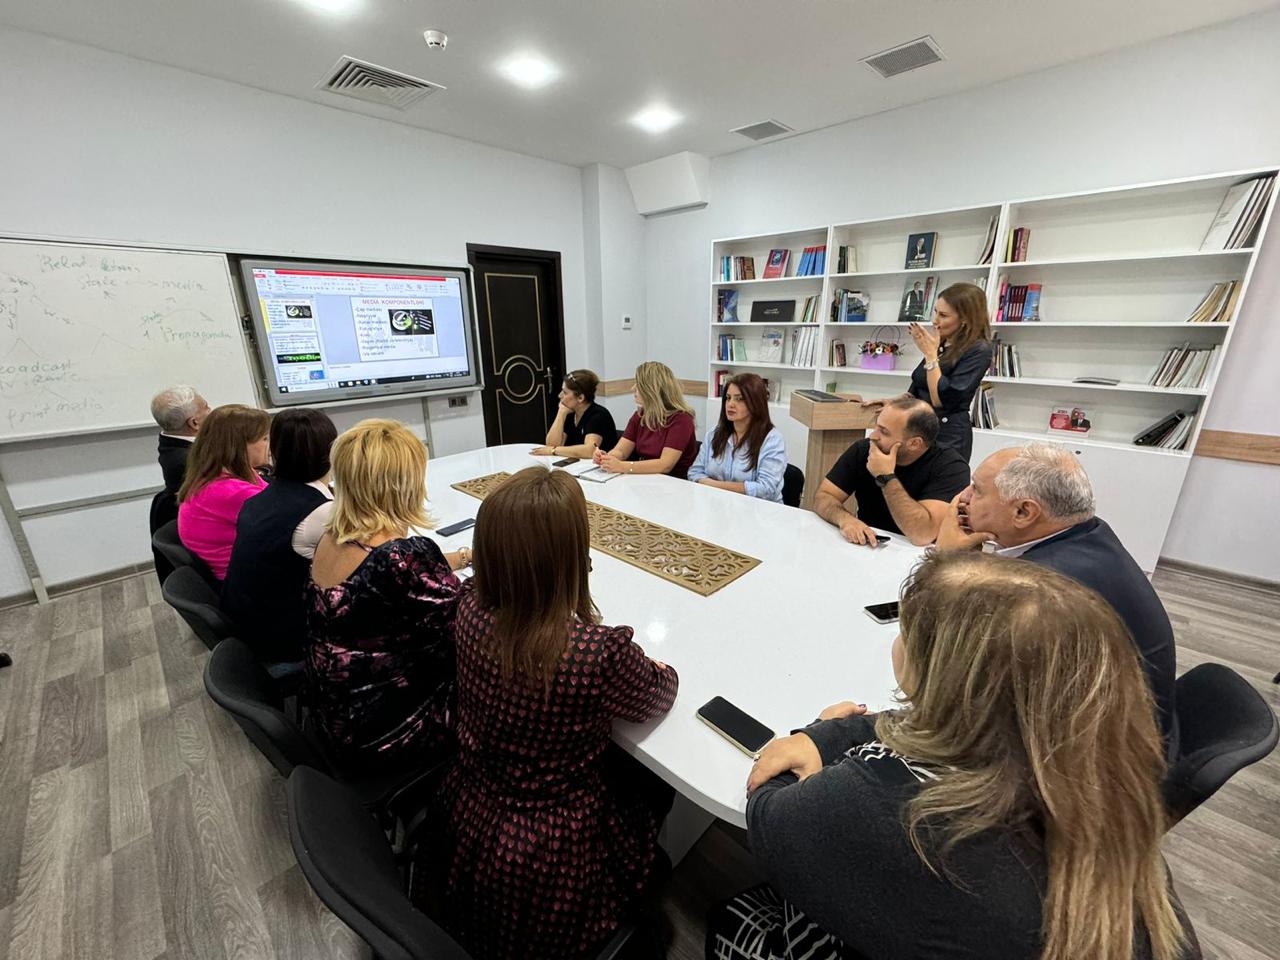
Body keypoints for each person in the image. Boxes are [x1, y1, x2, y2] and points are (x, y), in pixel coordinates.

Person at [708, 551, 1199, 960]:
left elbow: (769, 819)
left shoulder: (887, 803)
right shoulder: (1100, 789)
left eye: (907, 629)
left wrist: (819, 730)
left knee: (729, 915)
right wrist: (839, 733)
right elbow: (927, 729)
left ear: (943, 673)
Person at [441, 467, 678, 959]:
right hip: (554, 853)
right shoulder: (594, 653)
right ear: (572, 556)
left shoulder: (466, 610)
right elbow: (659, 695)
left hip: (469, 813)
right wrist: (654, 667)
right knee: (655, 784)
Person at [936, 442, 1179, 757]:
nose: (962, 498)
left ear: (1023, 512)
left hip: (1095, 760)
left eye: (977, 490)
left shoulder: (1041, 586)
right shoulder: (1090, 533)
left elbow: (948, 661)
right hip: (1129, 730)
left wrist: (946, 563)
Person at [305, 419, 470, 775]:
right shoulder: (401, 559)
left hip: (337, 714)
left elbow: (385, 579)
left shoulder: (333, 537)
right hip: (388, 730)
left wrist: (461, 557)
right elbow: (472, 628)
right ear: (402, 485)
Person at [222, 408, 338, 664]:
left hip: (249, 623)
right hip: (287, 638)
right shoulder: (321, 512)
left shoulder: (261, 497)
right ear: (332, 452)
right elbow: (370, 562)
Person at [814, 396, 969, 546]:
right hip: (868, 544)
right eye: (876, 426)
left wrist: (886, 477)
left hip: (915, 554)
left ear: (914, 443)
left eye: (884, 432)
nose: (873, 436)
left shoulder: (951, 467)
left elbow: (922, 535)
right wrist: (845, 519)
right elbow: (824, 496)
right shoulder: (864, 450)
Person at [864, 282, 993, 461]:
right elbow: (918, 387)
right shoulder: (941, 343)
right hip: (920, 428)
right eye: (935, 312)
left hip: (948, 435)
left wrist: (930, 355)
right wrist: (894, 403)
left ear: (965, 319)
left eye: (943, 315)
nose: (935, 321)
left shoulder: (979, 350)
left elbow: (940, 400)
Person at [176, 404, 271, 581]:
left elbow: (273, 498)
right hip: (248, 581)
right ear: (240, 446)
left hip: (245, 568)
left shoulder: (210, 474)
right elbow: (290, 520)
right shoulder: (231, 492)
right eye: (264, 438)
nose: (269, 445)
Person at [687, 372, 786, 501]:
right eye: (728, 398)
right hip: (718, 504)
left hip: (758, 509)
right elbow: (694, 472)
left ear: (755, 403)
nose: (730, 404)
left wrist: (715, 485)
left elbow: (765, 489)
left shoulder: (772, 440)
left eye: (739, 399)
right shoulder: (714, 434)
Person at [593, 360, 698, 479]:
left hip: (674, 483)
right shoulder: (640, 415)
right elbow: (621, 451)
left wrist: (622, 466)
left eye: (638, 385)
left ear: (651, 390)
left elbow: (665, 465)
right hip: (645, 479)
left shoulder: (682, 419)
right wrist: (607, 458)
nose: (633, 388)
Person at [148, 385, 210, 582]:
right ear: (194, 423)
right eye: (206, 407)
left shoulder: (170, 440)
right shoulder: (188, 460)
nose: (211, 411)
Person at [531, 369, 618, 460]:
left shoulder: (598, 415)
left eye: (565, 393)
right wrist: (561, 413)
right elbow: (551, 445)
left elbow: (590, 450)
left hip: (600, 467)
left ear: (580, 398)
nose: (559, 395)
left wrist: (553, 450)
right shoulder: (570, 412)